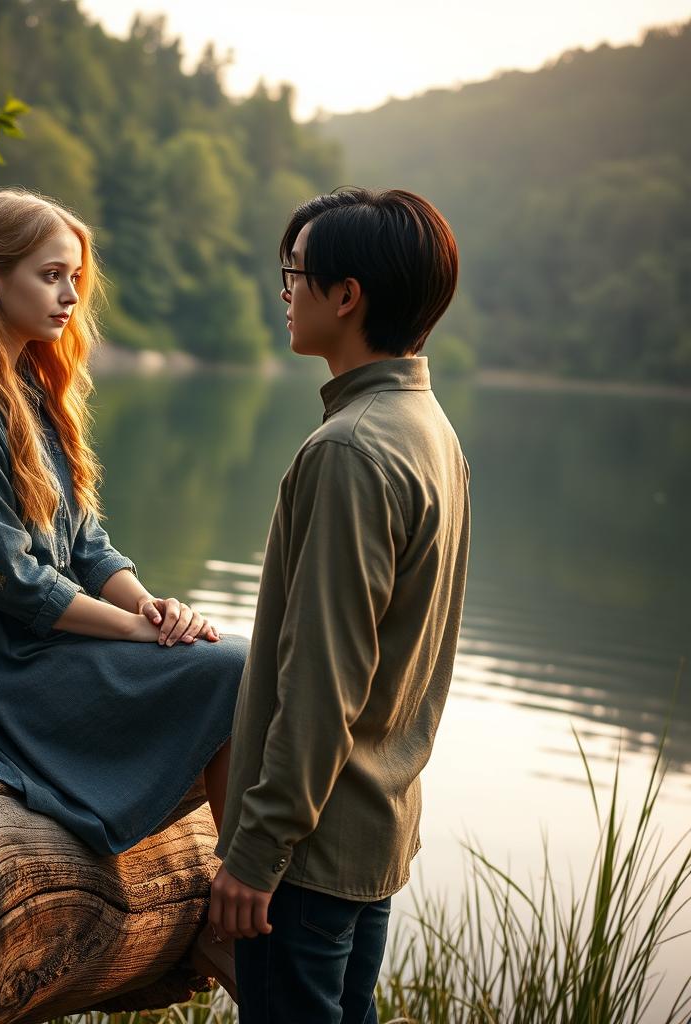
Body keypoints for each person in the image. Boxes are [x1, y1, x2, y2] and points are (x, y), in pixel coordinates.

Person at [0, 187, 246, 859]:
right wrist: (133, 632)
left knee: (230, 662)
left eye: (74, 278)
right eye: (51, 276)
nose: (71, 296)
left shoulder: (32, 389)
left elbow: (88, 545)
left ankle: (233, 888)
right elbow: (14, 581)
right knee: (234, 668)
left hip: (43, 639)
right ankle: (237, 891)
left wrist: (152, 609)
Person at [207, 187, 471, 1022]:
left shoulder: (351, 449)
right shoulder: (429, 428)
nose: (283, 292)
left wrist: (255, 853)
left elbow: (323, 678)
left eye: (295, 273)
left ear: (346, 295)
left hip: (306, 860)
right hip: (372, 834)